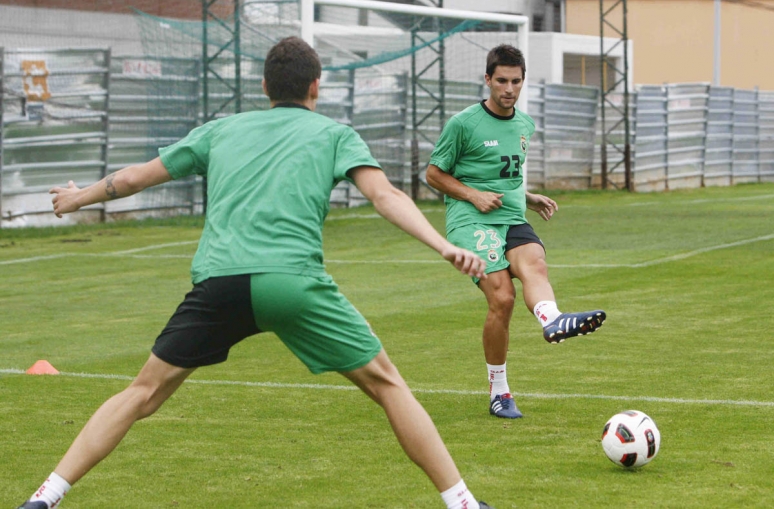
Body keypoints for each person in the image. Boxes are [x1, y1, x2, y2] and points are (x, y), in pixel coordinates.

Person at [17, 37, 497, 509]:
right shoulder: (335, 135)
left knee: (142, 393)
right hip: (292, 285)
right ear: (316, 85)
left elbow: (133, 177)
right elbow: (385, 196)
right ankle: (463, 504)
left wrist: (77, 198)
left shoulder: (220, 130)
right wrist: (444, 245)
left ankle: (45, 497)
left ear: (265, 86)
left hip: (219, 285)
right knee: (387, 385)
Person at [425, 44, 606, 420]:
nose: (509, 89)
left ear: (523, 81)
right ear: (487, 80)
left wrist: (529, 197)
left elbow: (504, 174)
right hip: (471, 220)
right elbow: (433, 174)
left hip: (510, 215)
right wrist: (473, 195)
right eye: (502, 81)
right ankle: (499, 391)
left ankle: (552, 319)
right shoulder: (463, 124)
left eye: (516, 81)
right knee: (503, 298)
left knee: (535, 263)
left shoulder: (525, 125)